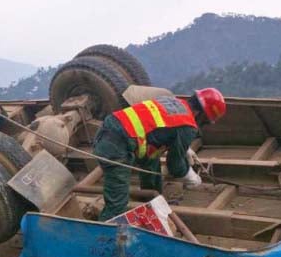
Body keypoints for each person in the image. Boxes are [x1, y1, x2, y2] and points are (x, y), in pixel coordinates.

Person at [93, 88, 226, 221]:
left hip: (111, 126)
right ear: (202, 115)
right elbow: (175, 166)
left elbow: (163, 129)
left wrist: (183, 148)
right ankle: (103, 232)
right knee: (117, 204)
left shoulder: (174, 102)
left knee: (151, 159)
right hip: (117, 144)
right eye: (206, 122)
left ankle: (150, 198)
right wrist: (190, 176)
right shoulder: (188, 125)